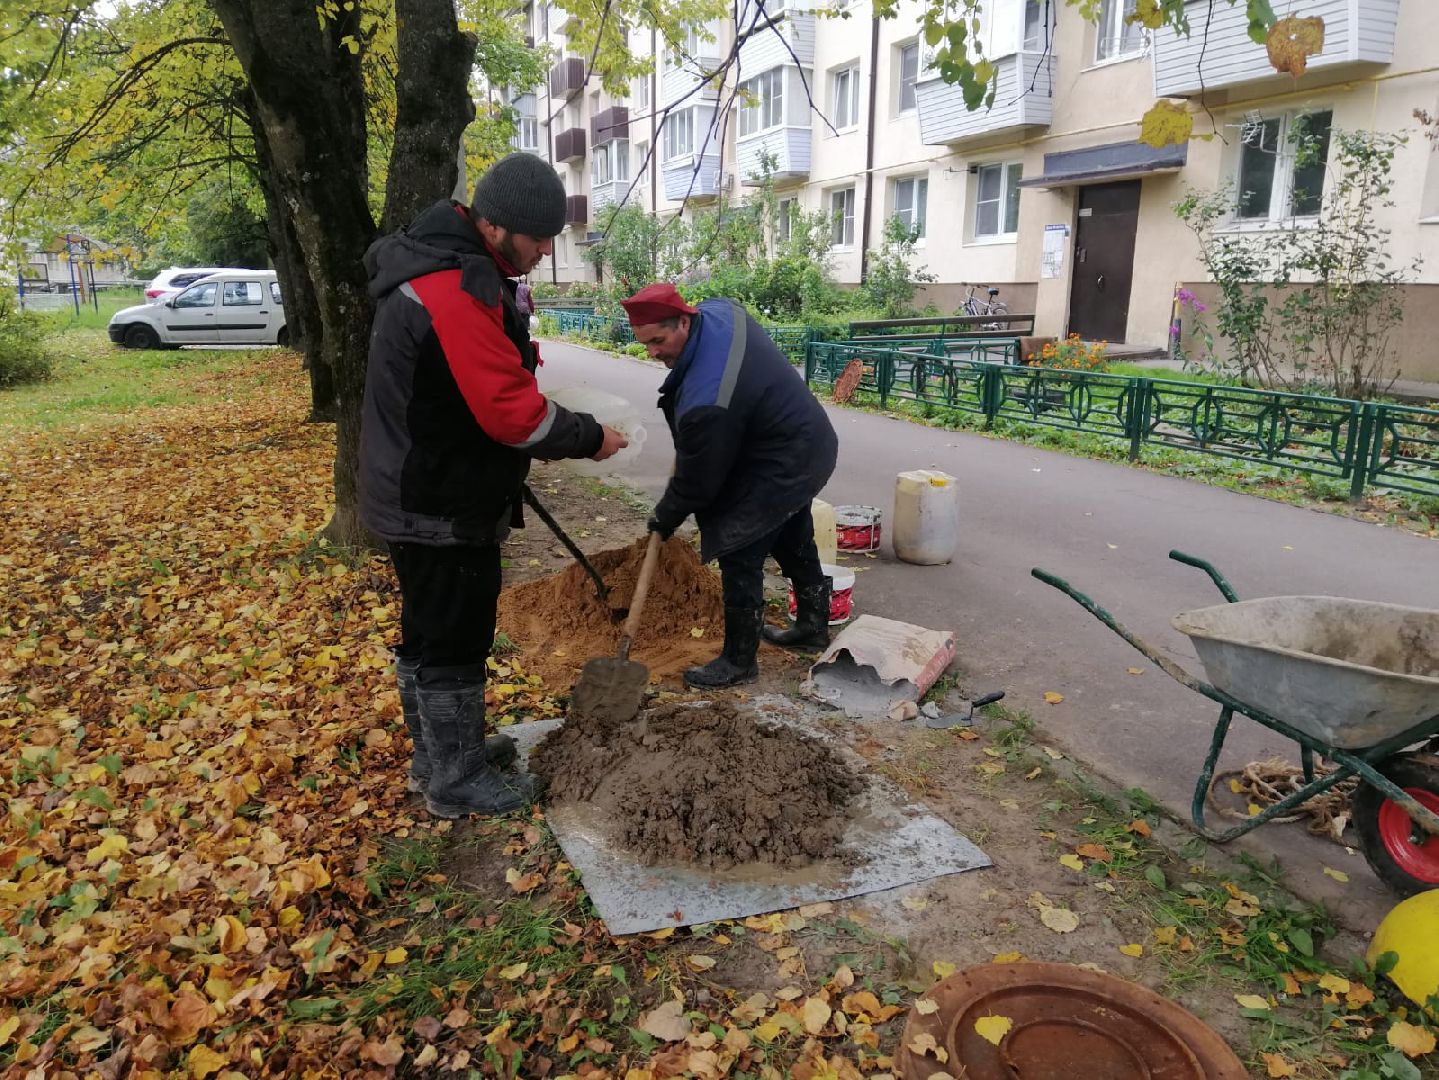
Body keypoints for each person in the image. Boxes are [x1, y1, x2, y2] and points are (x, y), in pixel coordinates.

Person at [359, 153, 628, 819]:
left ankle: (439, 759)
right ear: (496, 225)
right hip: (438, 499)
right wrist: (591, 437)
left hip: (418, 484)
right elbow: (511, 413)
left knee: (427, 633)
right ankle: (455, 781)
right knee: (453, 638)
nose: (544, 250)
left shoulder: (445, 266)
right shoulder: (453, 287)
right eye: (538, 238)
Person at [620, 282, 838, 689]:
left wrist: (665, 515)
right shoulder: (719, 310)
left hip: (784, 456)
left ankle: (739, 661)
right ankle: (812, 627)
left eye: (658, 340)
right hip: (802, 440)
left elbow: (698, 482)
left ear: (684, 320)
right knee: (793, 537)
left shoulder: (707, 397)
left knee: (739, 547)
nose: (652, 352)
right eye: (645, 343)